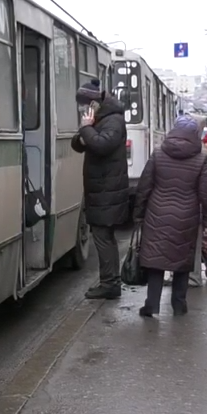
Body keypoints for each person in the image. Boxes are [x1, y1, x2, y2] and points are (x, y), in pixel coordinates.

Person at [133, 123, 207, 317]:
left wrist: (138, 214)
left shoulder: (158, 154)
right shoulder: (201, 158)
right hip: (187, 216)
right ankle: (179, 304)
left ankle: (151, 305)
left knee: (156, 260)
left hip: (157, 213)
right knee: (182, 261)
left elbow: (144, 186)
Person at [71, 79, 129, 299]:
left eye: (85, 104)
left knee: (104, 237)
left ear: (94, 102)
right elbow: (79, 144)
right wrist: (85, 132)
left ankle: (110, 284)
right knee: (104, 237)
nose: (83, 109)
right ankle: (110, 282)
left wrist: (87, 129)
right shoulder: (100, 119)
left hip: (108, 190)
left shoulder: (113, 120)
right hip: (102, 190)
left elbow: (101, 145)